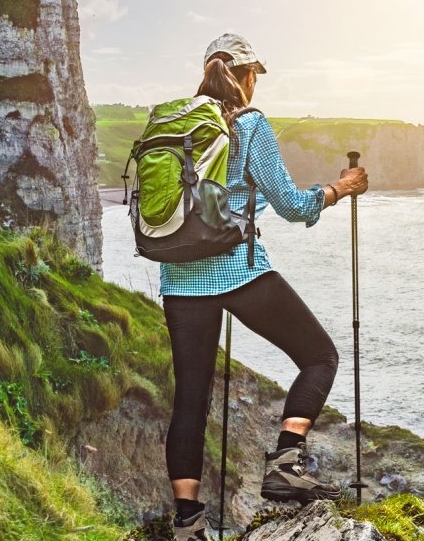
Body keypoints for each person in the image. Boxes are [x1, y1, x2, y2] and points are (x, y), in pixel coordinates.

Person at [164, 32, 368, 541]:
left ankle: (187, 522)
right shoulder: (249, 123)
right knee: (320, 357)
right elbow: (291, 204)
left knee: (190, 397)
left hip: (179, 277)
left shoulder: (173, 122)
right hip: (237, 271)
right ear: (247, 75)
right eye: (256, 75)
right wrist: (339, 188)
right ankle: (285, 461)